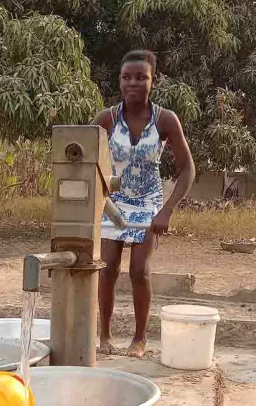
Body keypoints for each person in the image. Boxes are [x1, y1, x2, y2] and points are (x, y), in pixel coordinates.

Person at [95, 49, 195, 358]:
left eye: (141, 77)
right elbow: (83, 158)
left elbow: (188, 169)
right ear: (120, 80)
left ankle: (140, 338)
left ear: (153, 80)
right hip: (114, 201)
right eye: (127, 77)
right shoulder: (106, 118)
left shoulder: (165, 119)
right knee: (107, 268)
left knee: (140, 270)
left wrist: (167, 210)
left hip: (149, 201)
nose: (133, 83)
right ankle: (105, 335)